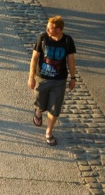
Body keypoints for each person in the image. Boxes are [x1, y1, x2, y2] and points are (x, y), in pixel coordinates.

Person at [28, 16, 76, 147]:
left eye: (50, 28)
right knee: (40, 103)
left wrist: (73, 77)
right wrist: (31, 77)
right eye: (47, 28)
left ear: (59, 30)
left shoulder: (67, 41)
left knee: (54, 108)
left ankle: (49, 132)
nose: (47, 30)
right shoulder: (42, 38)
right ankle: (38, 112)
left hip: (59, 81)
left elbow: (70, 60)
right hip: (42, 78)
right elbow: (34, 58)